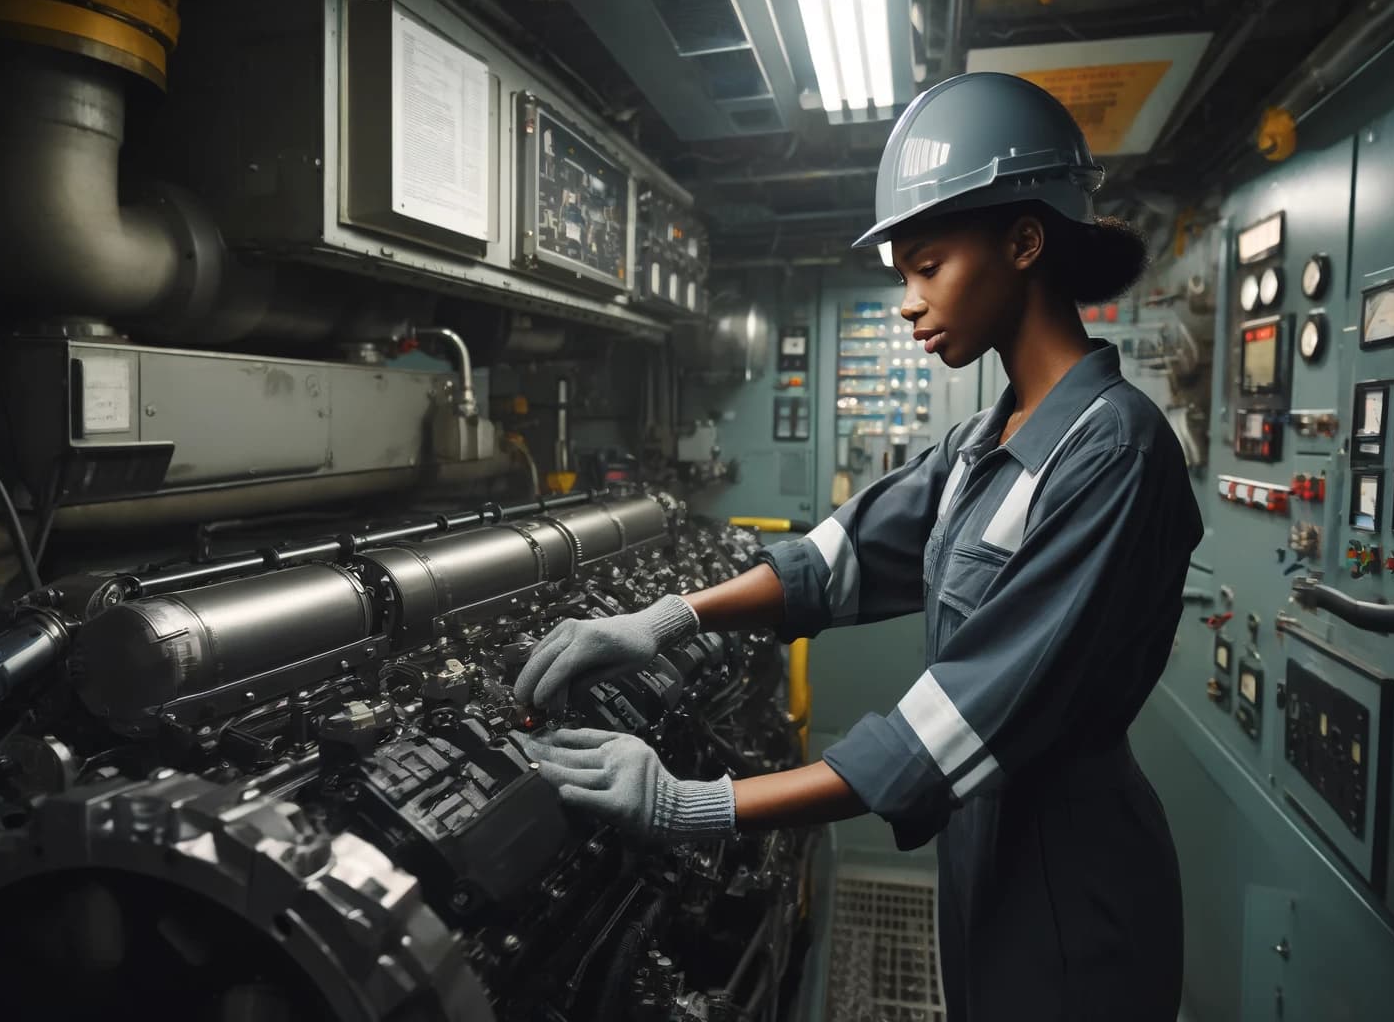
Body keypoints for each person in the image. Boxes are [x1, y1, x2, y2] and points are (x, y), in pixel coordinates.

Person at [514, 72, 1204, 1021]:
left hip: (1069, 877)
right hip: (985, 855)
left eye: (928, 266)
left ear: (1025, 240)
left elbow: (945, 733)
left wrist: (692, 805)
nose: (912, 304)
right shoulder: (985, 442)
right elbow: (830, 563)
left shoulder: (1114, 453)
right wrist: (662, 620)